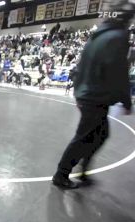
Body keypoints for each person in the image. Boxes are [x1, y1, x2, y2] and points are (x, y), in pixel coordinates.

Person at [52, 0, 134, 189]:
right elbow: (118, 72)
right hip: (96, 96)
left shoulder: (98, 34)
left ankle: (82, 170)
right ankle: (61, 174)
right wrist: (126, 101)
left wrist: (78, 93)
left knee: (99, 134)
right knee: (85, 137)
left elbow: (82, 66)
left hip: (88, 94)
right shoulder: (119, 36)